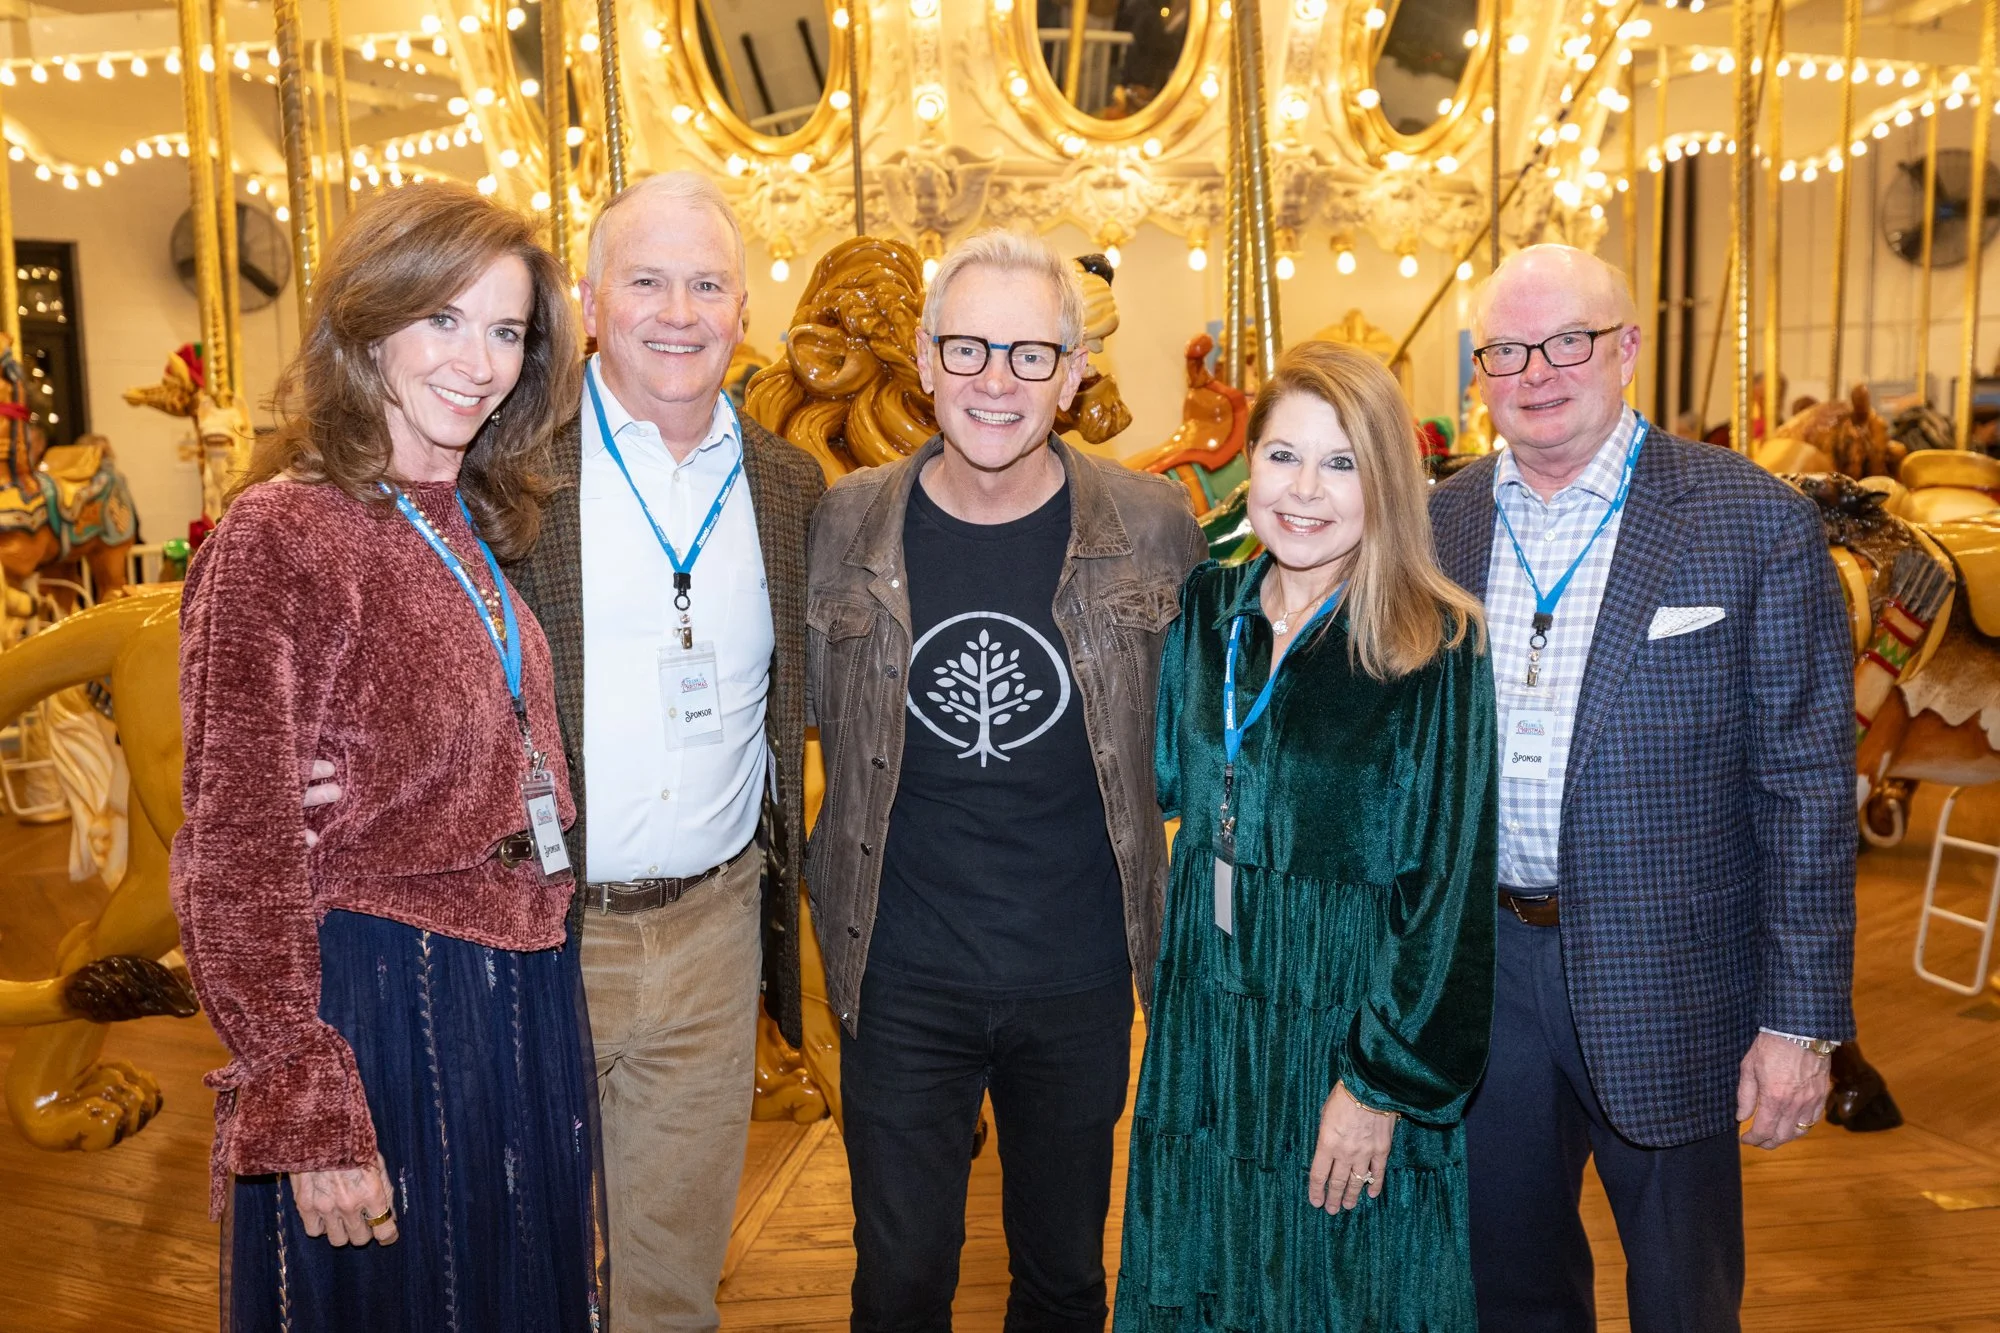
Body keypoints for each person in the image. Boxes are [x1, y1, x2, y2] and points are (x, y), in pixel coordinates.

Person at [170, 182, 601, 1330]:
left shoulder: (465, 513)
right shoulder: (280, 532)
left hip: (515, 986)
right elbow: (234, 854)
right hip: (380, 1005)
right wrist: (305, 1097)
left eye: (506, 330)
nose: (480, 361)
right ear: (369, 322)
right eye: (444, 319)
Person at [1430, 244, 1856, 1331]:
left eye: (1565, 340)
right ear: (1478, 373)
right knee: (1507, 1282)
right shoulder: (1443, 522)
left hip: (1673, 979)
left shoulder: (1749, 519)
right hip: (1486, 972)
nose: (1534, 372)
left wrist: (1799, 1022)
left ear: (1625, 348)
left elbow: (1805, 786)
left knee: (1682, 1293)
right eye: (1505, 351)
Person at [805, 227, 1206, 1330]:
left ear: (1073, 377)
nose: (996, 380)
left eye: (1030, 354)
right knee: (896, 1283)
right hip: (894, 969)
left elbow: (1221, 735)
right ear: (924, 360)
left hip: (1076, 971)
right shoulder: (843, 524)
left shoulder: (1155, 526)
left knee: (1065, 1277)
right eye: (968, 348)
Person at [1114, 341, 1498, 1329]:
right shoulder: (1208, 612)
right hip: (1205, 1019)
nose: (1303, 491)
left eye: (1340, 463)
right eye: (1282, 456)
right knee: (1205, 1282)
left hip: (1343, 1025)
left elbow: (1445, 892)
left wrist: (1377, 1085)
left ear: (1385, 483)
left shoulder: (1433, 645)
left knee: (1339, 1292)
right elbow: (1163, 791)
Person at [506, 171, 826, 1332]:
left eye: (706, 283)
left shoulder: (792, 487)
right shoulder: (505, 468)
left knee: (672, 1284)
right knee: (515, 1266)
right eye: (646, 280)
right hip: (538, 930)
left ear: (745, 311)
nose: (677, 311)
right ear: (592, 302)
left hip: (709, 934)